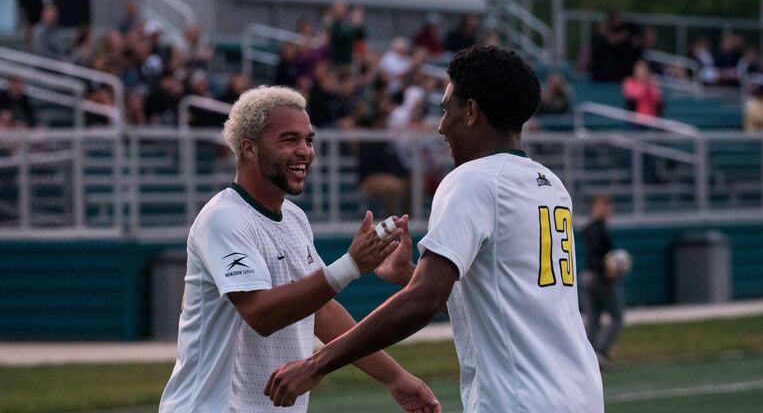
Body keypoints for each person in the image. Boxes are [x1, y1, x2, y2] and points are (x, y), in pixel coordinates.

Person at [264, 46, 604, 412]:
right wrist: (410, 274)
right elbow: (509, 301)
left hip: (521, 400)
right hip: (580, 391)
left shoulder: (472, 180)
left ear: (471, 112)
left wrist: (317, 364)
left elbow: (422, 301)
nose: (441, 126)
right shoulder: (551, 184)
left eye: (446, 109)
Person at [159, 86, 439, 413]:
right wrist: (350, 265)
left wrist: (394, 377)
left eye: (309, 139)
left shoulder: (293, 216)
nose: (305, 151)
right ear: (249, 149)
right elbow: (260, 314)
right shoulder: (223, 218)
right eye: (289, 140)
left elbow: (319, 310)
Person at [581, 194, 624, 371]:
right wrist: (610, 269)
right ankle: (600, 351)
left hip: (589, 277)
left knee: (594, 318)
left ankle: (587, 357)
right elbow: (597, 257)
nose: (605, 209)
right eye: (601, 206)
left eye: (607, 206)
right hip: (598, 278)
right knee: (617, 316)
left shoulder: (595, 228)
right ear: (594, 208)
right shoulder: (596, 229)